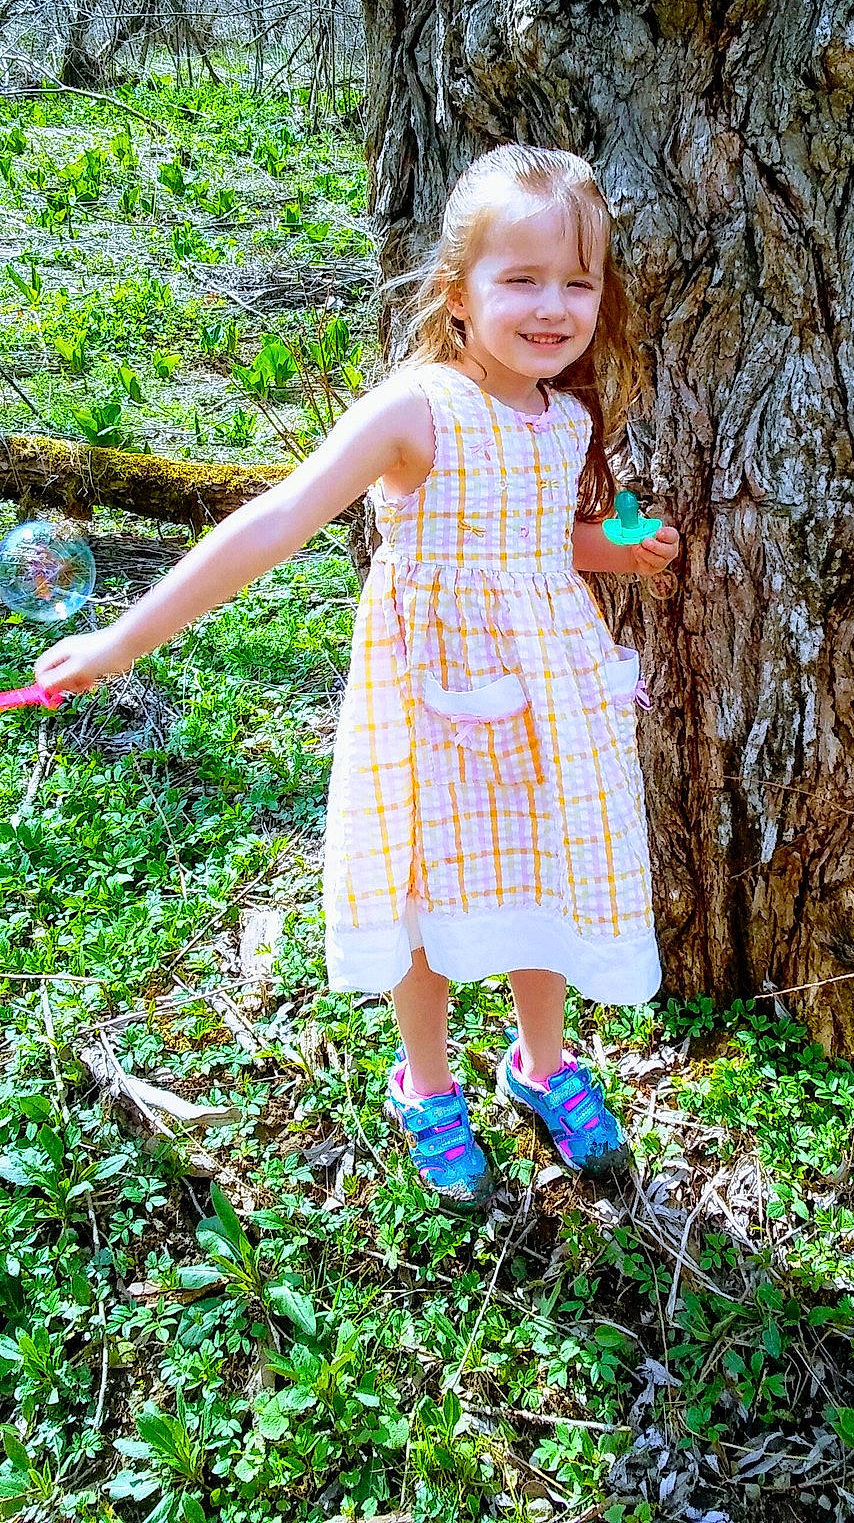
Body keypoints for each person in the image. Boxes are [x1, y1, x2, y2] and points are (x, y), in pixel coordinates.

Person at [34, 144, 681, 1211]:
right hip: (432, 703)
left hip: (546, 701)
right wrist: (118, 643)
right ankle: (425, 1084)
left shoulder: (563, 419)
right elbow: (276, 521)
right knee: (420, 887)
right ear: (457, 293)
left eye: (578, 279)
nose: (553, 304)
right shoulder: (416, 409)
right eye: (520, 278)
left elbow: (529, 542)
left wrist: (618, 549)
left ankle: (542, 1062)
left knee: (548, 869)